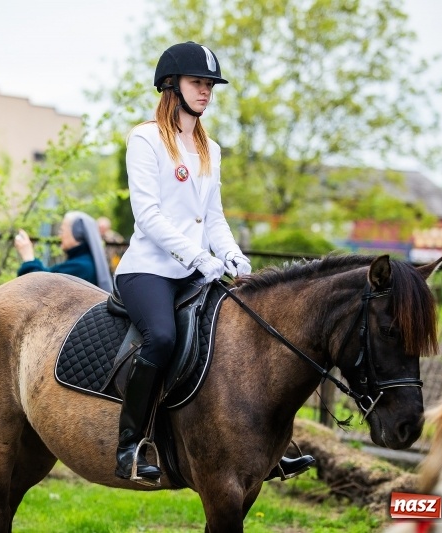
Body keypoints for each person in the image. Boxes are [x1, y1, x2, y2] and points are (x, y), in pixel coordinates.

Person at [112, 41, 313, 483]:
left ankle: (266, 448)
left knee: (244, 336)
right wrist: (199, 256)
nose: (206, 91)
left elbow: (213, 215)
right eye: (197, 83)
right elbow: (148, 216)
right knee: (162, 338)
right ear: (171, 85)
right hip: (149, 269)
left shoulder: (210, 149)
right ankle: (129, 446)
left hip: (197, 270)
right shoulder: (145, 139)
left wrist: (232, 255)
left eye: (210, 85)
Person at [14, 211, 113, 293]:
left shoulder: (82, 267)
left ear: (76, 235)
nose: (59, 236)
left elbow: (39, 286)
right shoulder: (84, 262)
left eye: (62, 231)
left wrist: (28, 257)